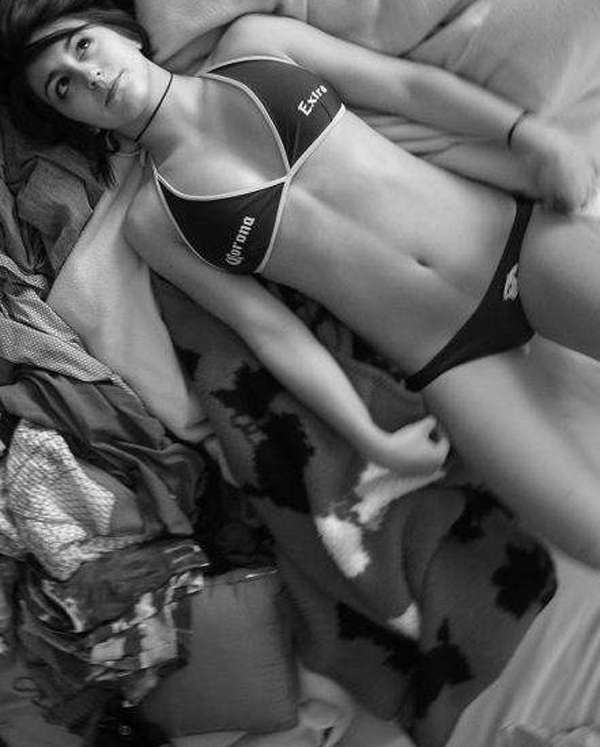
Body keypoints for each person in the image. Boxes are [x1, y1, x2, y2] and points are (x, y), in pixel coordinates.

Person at [2, 0, 600, 567]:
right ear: (71, 120)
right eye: (63, 87)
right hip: (453, 361)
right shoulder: (155, 223)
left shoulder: (256, 44)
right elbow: (270, 331)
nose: (89, 76)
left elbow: (407, 87)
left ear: (121, 31)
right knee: (589, 535)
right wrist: (372, 438)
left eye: (83, 46)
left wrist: (529, 135)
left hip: (512, 244)